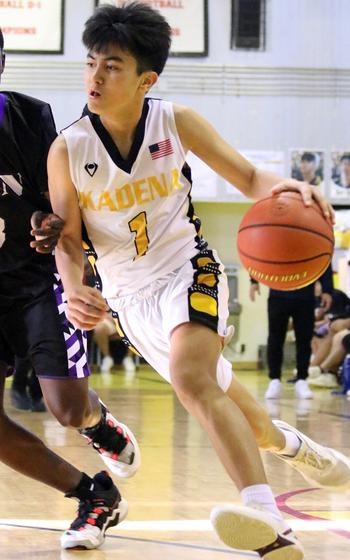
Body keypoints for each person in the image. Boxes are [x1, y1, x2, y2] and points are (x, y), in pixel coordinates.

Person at [45, 4, 350, 558]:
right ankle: (296, 447)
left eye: (111, 66)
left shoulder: (174, 121)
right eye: (90, 63)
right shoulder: (67, 148)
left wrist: (293, 190)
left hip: (189, 270)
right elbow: (67, 238)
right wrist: (73, 289)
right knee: (244, 420)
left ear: (146, 79)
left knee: (191, 378)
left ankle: (268, 521)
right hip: (129, 300)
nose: (94, 76)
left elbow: (250, 175)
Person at [0, 28, 140, 550]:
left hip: (37, 283)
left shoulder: (30, 118)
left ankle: (98, 425)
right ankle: (94, 496)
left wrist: (45, 221)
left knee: (64, 408)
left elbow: (56, 205)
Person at [250, 266, 333, 399]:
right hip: (278, 293)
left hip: (305, 293)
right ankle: (274, 380)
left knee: (304, 338)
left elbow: (324, 256)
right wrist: (254, 280)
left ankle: (302, 380)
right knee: (275, 338)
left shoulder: (310, 243)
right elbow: (261, 249)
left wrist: (327, 289)